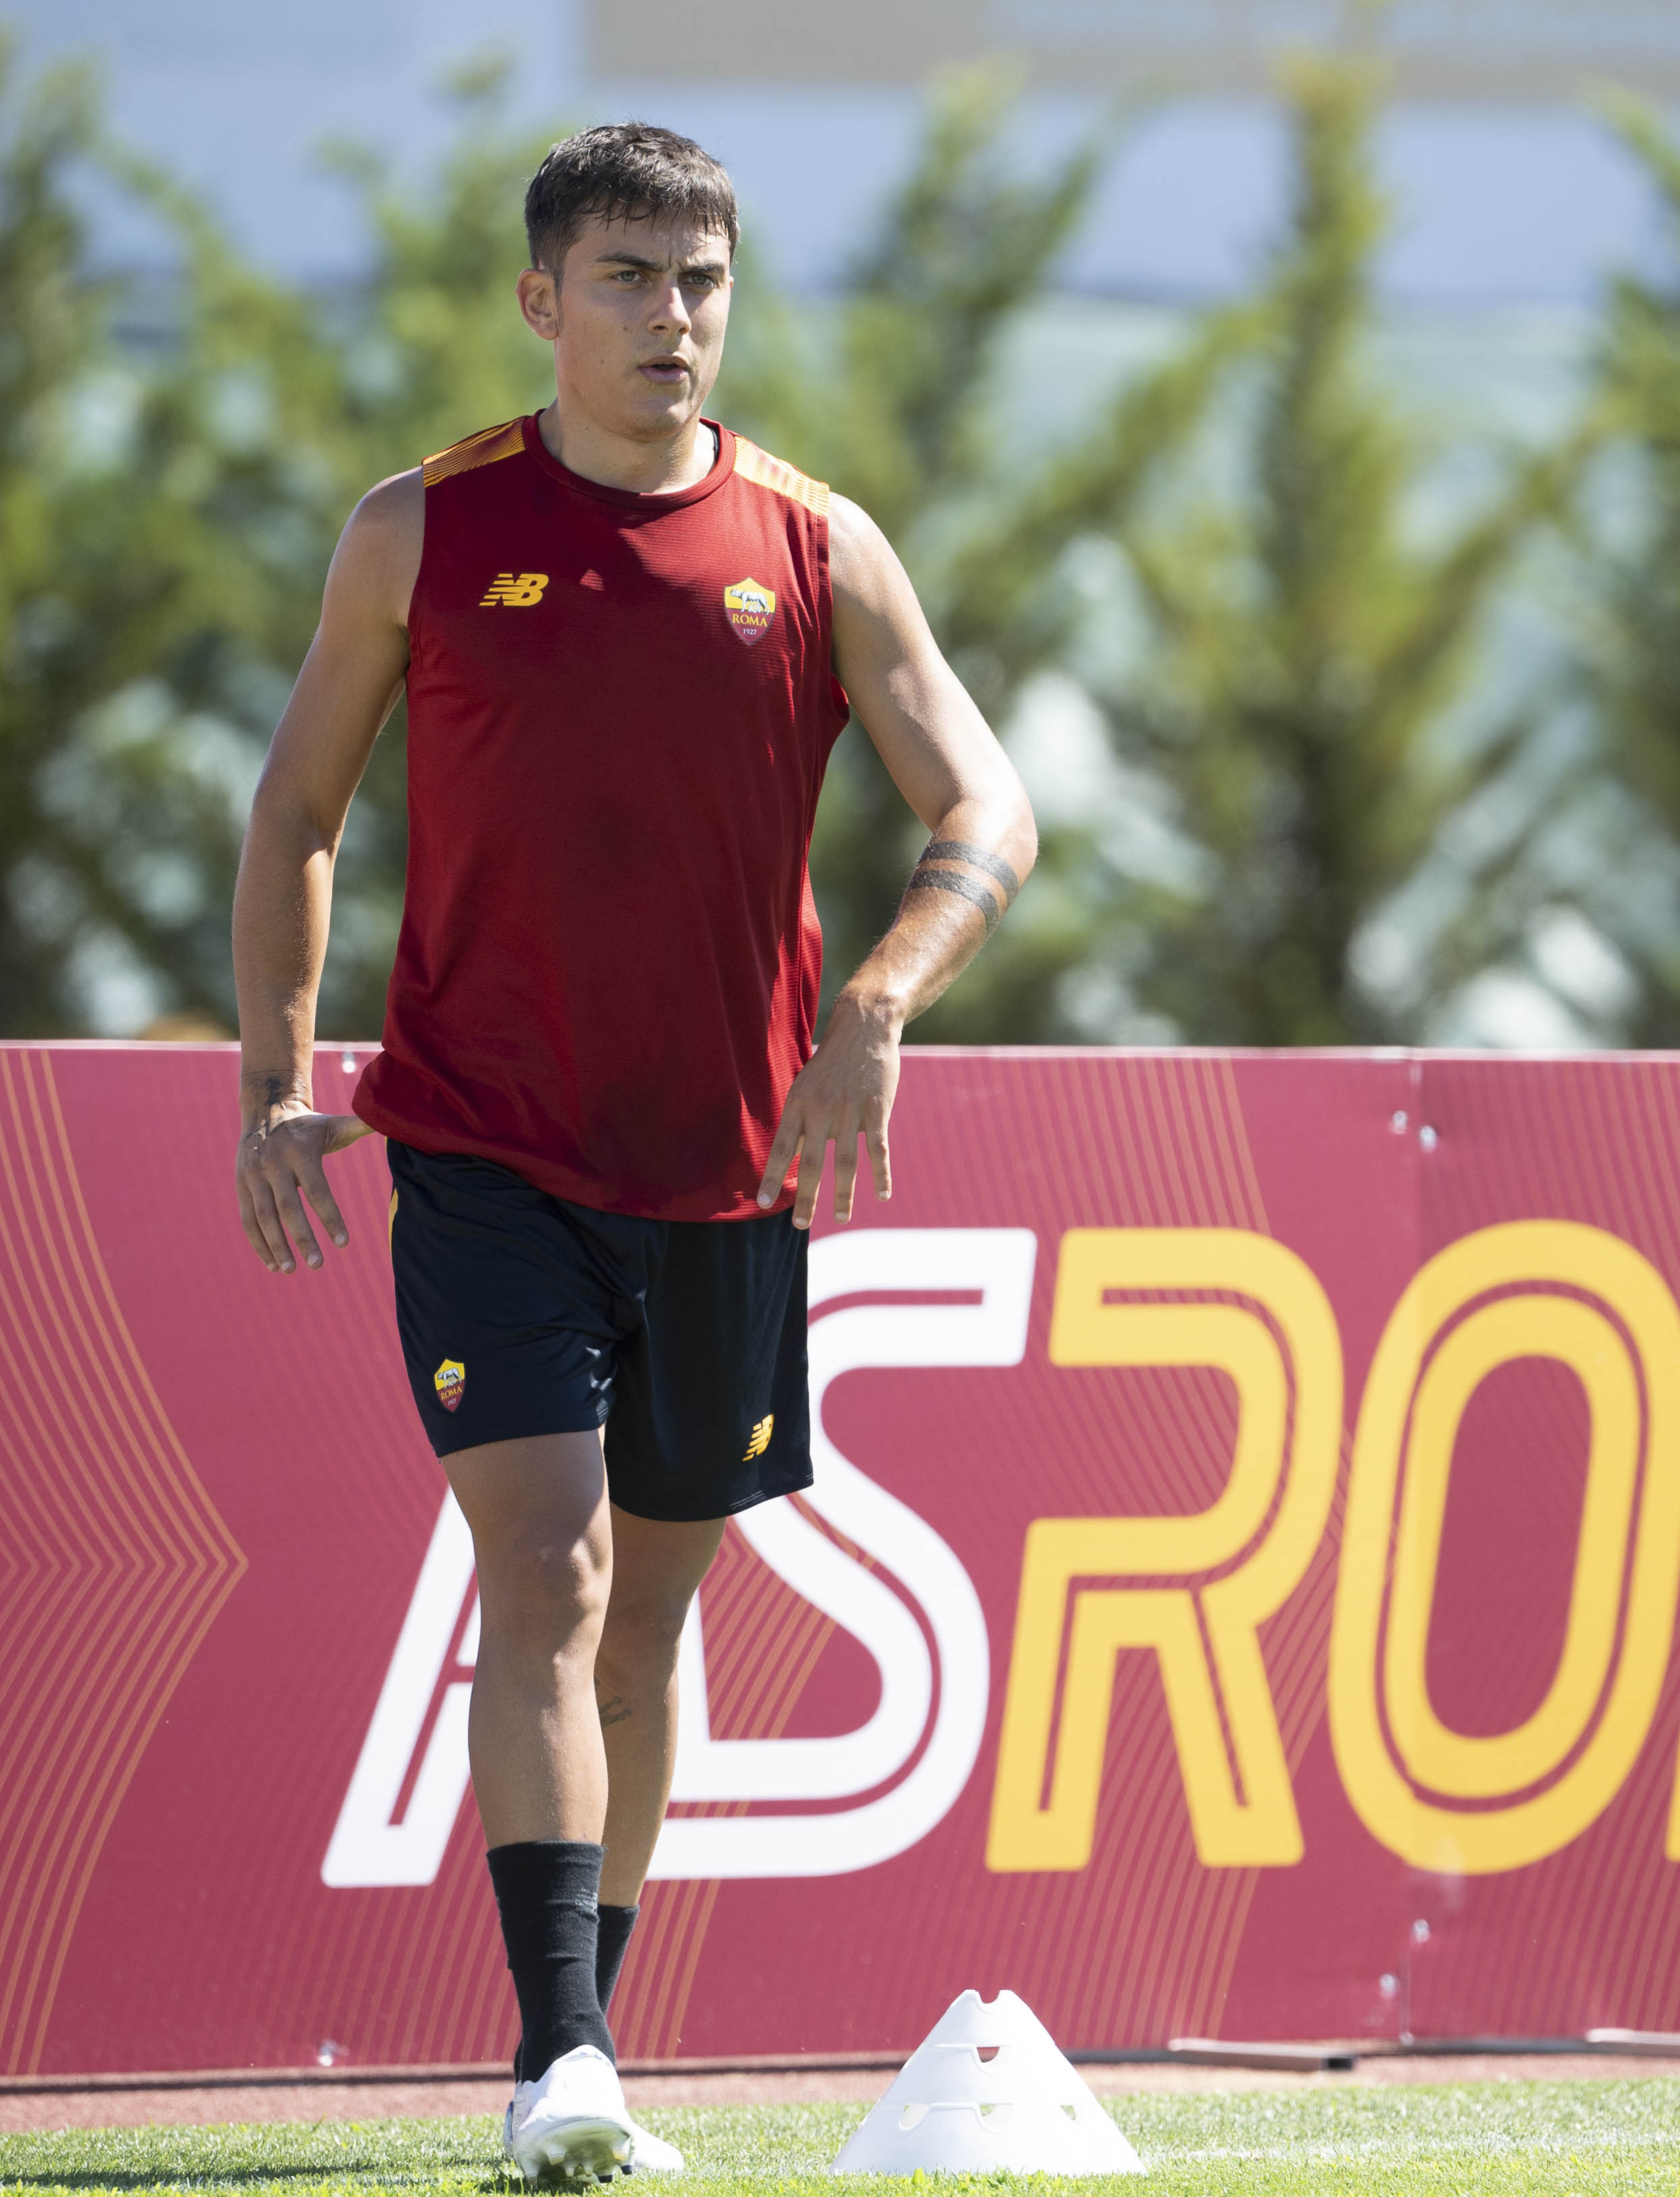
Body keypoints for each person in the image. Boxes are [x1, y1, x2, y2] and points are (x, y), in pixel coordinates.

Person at [227, 121, 1036, 2186]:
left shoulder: (819, 544)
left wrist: (876, 1008)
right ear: (540, 303)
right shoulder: (420, 529)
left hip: (733, 1177)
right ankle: (558, 2064)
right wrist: (269, 1081)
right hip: (483, 1151)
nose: (670, 320)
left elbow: (992, 813)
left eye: (700, 283)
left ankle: (588, 2048)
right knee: (555, 1569)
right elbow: (298, 809)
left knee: (655, 1624)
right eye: (626, 281)